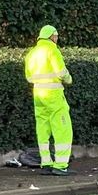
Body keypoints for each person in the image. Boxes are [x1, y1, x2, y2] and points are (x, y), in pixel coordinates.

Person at [24, 25, 74, 176]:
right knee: (63, 129)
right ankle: (60, 165)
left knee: (43, 129)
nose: (57, 38)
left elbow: (29, 77)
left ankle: (46, 163)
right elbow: (61, 72)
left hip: (38, 94)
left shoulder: (31, 53)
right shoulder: (52, 50)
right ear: (50, 36)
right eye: (56, 35)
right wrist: (69, 79)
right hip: (53, 95)